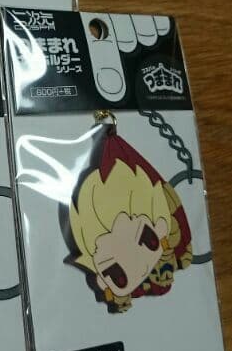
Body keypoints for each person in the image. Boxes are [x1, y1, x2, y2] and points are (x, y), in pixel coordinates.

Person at [66, 130, 193, 313]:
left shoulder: (168, 252)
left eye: (148, 239)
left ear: (161, 228)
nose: (138, 267)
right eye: (118, 275)